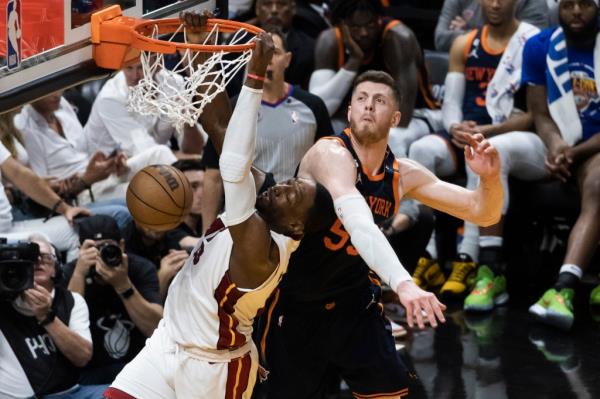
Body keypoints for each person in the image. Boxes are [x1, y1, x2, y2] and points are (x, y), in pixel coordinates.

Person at [104, 30, 330, 399]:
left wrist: (253, 79)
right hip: (168, 343)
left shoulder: (262, 248)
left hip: (215, 372)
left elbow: (233, 166)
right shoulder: (265, 203)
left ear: (295, 226)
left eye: (293, 195)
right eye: (291, 182)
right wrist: (199, 49)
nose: (282, 186)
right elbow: (220, 127)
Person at [259, 70, 503, 398]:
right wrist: (404, 285)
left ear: (396, 118)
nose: (368, 107)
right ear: (349, 112)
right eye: (360, 99)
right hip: (295, 302)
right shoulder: (330, 153)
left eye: (379, 101)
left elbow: (481, 211)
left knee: (393, 392)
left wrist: (489, 179)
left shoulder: (403, 174)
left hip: (354, 301)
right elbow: (359, 222)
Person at [410, 0, 545, 311]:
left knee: (484, 152)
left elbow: (535, 114)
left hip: (509, 133)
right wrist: (455, 125)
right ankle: (428, 256)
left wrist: (486, 131)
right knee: (419, 150)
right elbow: (452, 104)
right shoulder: (465, 42)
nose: (495, 4)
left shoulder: (531, 42)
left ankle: (468, 258)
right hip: (469, 130)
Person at [201, 27, 333, 228]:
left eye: (274, 52)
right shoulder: (234, 108)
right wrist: (206, 231)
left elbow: (328, 169)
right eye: (258, 52)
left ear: (287, 60)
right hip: (244, 214)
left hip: (293, 218)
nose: (266, 58)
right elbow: (213, 175)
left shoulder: (313, 106)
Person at [523, 0, 600, 331]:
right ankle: (490, 268)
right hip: (564, 142)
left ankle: (563, 288)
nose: (577, 12)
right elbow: (538, 112)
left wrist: (575, 152)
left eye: (585, 4)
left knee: (598, 184)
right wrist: (557, 147)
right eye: (568, 5)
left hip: (594, 145)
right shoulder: (539, 46)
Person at [309, 0, 442, 157]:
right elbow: (320, 109)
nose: (364, 32)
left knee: (391, 138)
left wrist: (363, 127)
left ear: (379, 19)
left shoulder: (398, 38)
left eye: (370, 25)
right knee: (321, 133)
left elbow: (402, 116)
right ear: (341, 25)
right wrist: (353, 62)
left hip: (419, 114)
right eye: (355, 27)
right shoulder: (329, 42)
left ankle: (394, 182)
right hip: (363, 117)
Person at [14, 91, 177, 205]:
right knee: (151, 188)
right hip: (81, 192)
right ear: (33, 93)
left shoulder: (62, 105)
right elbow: (41, 186)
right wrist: (85, 179)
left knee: (160, 153)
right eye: (48, 90)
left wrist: (111, 160)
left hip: (102, 175)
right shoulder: (24, 126)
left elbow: (87, 152)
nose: (57, 94)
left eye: (57, 87)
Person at [0, 235, 104, 398]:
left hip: (72, 392)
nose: (38, 260)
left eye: (46, 257)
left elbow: (83, 356)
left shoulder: (72, 301)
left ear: (56, 268)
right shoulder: (4, 303)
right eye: (31, 256)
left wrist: (47, 317)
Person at [64, 215, 163, 385]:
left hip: (140, 364)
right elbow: (66, 332)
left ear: (122, 246)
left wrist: (123, 285)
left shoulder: (140, 268)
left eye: (108, 247)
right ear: (81, 250)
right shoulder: (71, 272)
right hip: (91, 372)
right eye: (94, 248)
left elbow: (157, 329)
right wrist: (80, 274)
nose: (102, 254)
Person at [83, 61, 205, 158]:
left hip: (156, 161)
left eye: (141, 67)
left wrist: (189, 124)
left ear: (157, 62)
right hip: (104, 173)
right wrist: (189, 162)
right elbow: (145, 153)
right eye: (128, 68)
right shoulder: (110, 98)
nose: (134, 76)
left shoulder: (174, 84)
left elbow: (195, 150)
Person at [0, 140, 88, 260]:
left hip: (9, 228)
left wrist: (65, 208)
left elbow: (19, 174)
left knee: (77, 231)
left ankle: (65, 278)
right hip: (4, 236)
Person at [434, 0, 549, 52]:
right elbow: (440, 40)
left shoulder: (533, 2)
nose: (495, 5)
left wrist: (467, 33)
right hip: (465, 69)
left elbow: (533, 45)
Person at [254, 0, 316, 89]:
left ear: (293, 8)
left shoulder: (309, 48)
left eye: (281, 4)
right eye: (267, 4)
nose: (274, 10)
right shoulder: (238, 42)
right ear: (257, 9)